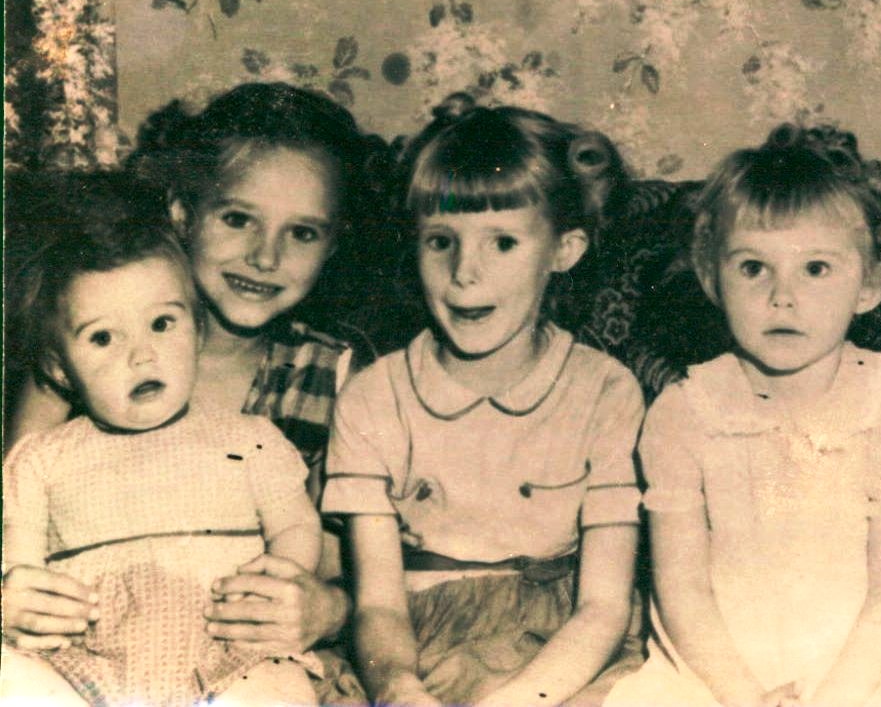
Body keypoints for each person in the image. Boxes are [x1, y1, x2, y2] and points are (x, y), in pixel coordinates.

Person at [2, 82, 383, 673]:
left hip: (238, 662)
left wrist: (325, 611)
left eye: (302, 232)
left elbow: (346, 573)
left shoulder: (334, 377)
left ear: (333, 245)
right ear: (183, 213)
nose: (265, 257)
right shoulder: (84, 351)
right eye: (238, 219)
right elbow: (13, 529)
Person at [605, 125, 881, 707]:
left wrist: (837, 697)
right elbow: (682, 592)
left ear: (870, 285)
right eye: (752, 268)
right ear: (711, 278)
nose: (781, 296)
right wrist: (745, 697)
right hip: (717, 672)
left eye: (815, 269)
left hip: (868, 671)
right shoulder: (683, 413)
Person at [321, 96, 645, 707]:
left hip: (562, 655)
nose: (465, 272)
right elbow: (379, 605)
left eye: (502, 242)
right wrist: (397, 688)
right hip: (414, 646)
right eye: (441, 241)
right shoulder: (373, 398)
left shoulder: (605, 391)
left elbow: (603, 609)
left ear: (564, 250)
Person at [1, 197, 320, 706]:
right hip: (83, 660)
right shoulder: (41, 459)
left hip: (228, 651)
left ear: (197, 332)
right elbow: (18, 565)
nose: (141, 354)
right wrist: (16, 600)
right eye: (103, 337)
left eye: (162, 324)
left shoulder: (250, 440)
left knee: (278, 686)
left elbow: (296, 525)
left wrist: (281, 579)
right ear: (60, 369)